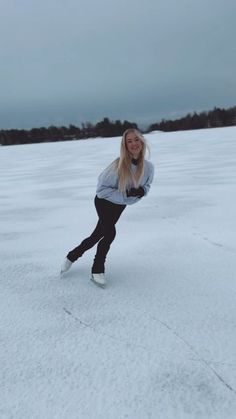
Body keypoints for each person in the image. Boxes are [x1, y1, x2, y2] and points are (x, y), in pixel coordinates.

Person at [61, 128, 154, 287]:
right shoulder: (118, 165)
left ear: (142, 141)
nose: (134, 144)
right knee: (110, 233)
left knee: (97, 235)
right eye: (129, 141)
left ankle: (71, 256)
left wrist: (141, 191)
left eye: (136, 140)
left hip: (119, 206)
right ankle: (97, 269)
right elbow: (102, 190)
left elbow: (147, 186)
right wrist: (126, 194)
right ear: (125, 145)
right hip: (103, 202)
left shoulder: (148, 167)